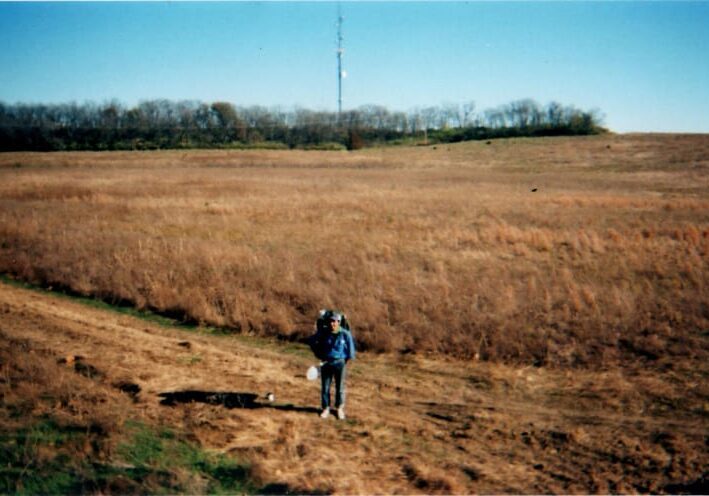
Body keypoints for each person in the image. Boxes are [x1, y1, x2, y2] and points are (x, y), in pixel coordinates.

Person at [308, 311, 355, 420]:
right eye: (331, 321)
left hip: (340, 363)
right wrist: (319, 354)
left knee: (340, 388)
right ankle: (326, 408)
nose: (333, 324)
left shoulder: (345, 334)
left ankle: (339, 408)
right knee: (325, 387)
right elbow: (312, 341)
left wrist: (344, 361)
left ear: (339, 322)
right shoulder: (324, 332)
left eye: (335, 321)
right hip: (326, 362)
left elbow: (351, 351)